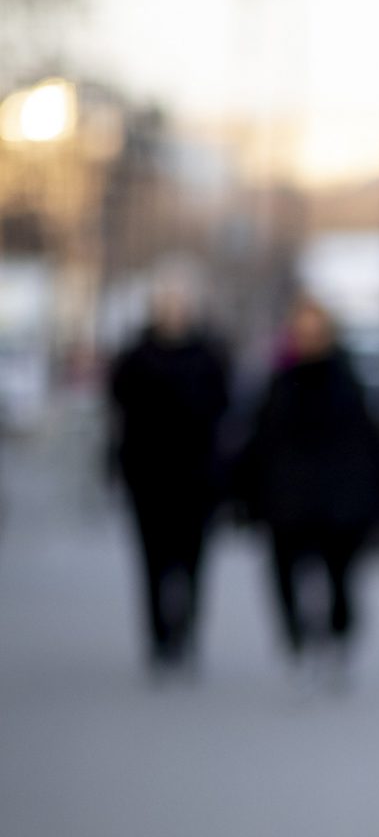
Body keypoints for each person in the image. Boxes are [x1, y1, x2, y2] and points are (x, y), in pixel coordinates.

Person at [235, 298, 379, 677]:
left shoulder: (346, 380)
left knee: (341, 577)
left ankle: (338, 639)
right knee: (284, 575)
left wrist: (378, 497)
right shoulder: (278, 382)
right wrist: (249, 496)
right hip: (286, 501)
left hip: (338, 503)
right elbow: (260, 443)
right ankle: (297, 644)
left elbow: (367, 442)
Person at [107, 276, 229, 673]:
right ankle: (159, 639)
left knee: (193, 563)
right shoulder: (135, 358)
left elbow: (222, 411)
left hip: (196, 479)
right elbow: (120, 414)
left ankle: (187, 634)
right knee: (152, 561)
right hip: (149, 477)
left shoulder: (208, 356)